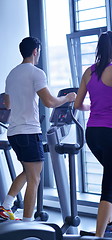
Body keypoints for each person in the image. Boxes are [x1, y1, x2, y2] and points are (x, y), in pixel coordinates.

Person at [0, 36, 76, 222]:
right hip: (29, 131)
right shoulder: (36, 73)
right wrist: (67, 98)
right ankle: (27, 223)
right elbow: (49, 101)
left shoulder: (12, 74)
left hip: (14, 132)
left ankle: (5, 207)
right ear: (35, 51)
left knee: (28, 171)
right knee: (35, 178)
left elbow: (7, 104)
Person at [74, 31, 112, 237]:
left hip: (93, 134)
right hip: (109, 133)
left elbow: (78, 104)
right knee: (108, 188)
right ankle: (99, 235)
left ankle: (110, 222)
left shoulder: (89, 72)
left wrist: (94, 107)